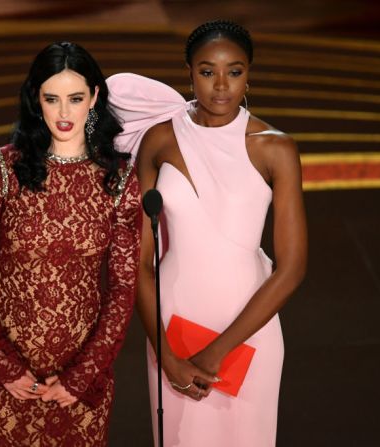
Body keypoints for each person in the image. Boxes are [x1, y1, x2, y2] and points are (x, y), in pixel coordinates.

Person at [107, 20, 307, 446]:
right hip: (172, 330)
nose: (221, 86)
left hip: (249, 331)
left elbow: (291, 269)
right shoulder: (159, 142)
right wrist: (167, 356)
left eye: (234, 72)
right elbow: (139, 261)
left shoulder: (276, 148)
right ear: (188, 71)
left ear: (249, 74)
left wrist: (214, 354)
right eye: (207, 71)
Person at [0, 41, 141, 446]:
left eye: (75, 99)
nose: (63, 113)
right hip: (2, 385)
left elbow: (123, 289)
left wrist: (82, 375)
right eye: (51, 99)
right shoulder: (2, 169)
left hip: (81, 385)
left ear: (94, 98)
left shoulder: (120, 179)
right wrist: (4, 367)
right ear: (35, 100)